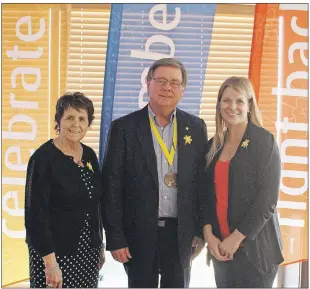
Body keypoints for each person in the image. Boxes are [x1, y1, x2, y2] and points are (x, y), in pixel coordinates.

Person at [102, 58, 208, 288]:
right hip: (138, 233)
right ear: (148, 83)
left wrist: (200, 231)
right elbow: (111, 186)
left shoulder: (197, 127)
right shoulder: (124, 128)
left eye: (173, 82)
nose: (166, 87)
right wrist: (115, 238)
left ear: (182, 89)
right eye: (160, 80)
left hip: (180, 235)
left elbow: (202, 186)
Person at [199, 76, 284, 288]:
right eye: (226, 100)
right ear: (219, 104)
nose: (232, 107)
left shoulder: (264, 141)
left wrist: (236, 239)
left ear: (249, 106)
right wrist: (210, 237)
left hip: (256, 252)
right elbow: (205, 196)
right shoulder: (213, 145)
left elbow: (267, 201)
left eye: (239, 101)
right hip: (221, 250)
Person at [24, 92, 105, 288]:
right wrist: (50, 264)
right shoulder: (43, 159)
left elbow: (95, 206)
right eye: (69, 117)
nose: (75, 124)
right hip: (55, 255)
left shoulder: (89, 154)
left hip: (88, 253)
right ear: (58, 120)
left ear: (88, 124)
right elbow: (36, 215)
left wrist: (99, 245)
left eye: (81, 119)